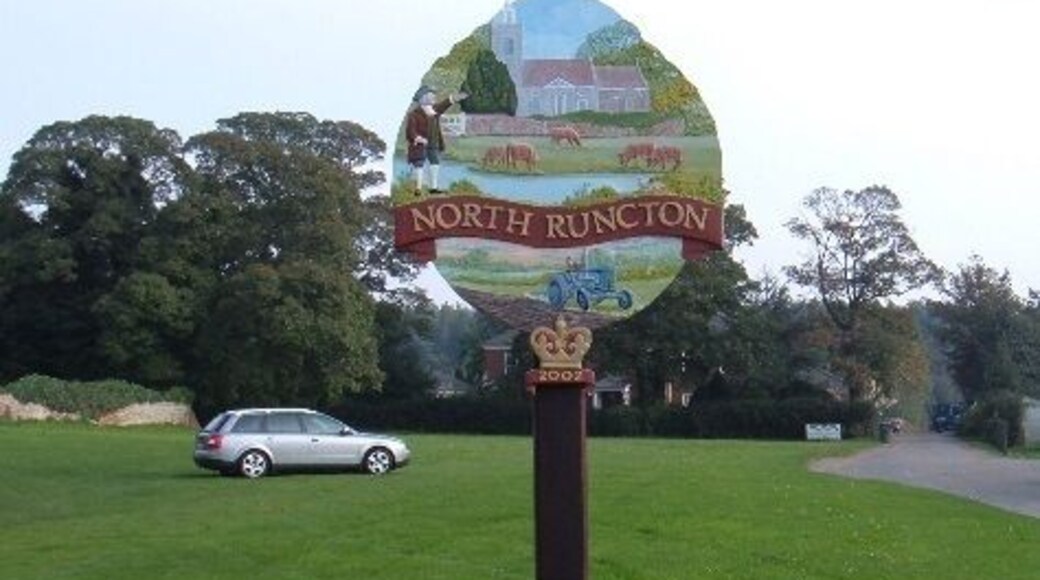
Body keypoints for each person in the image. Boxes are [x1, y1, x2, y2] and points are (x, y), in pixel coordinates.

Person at [405, 86, 468, 195]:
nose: (434, 97)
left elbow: (445, 104)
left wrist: (455, 98)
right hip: (420, 144)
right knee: (419, 164)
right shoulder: (414, 114)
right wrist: (417, 138)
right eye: (431, 95)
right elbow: (410, 130)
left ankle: (433, 187)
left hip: (433, 142)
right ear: (423, 98)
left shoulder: (434, 110)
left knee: (435, 163)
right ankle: (418, 188)